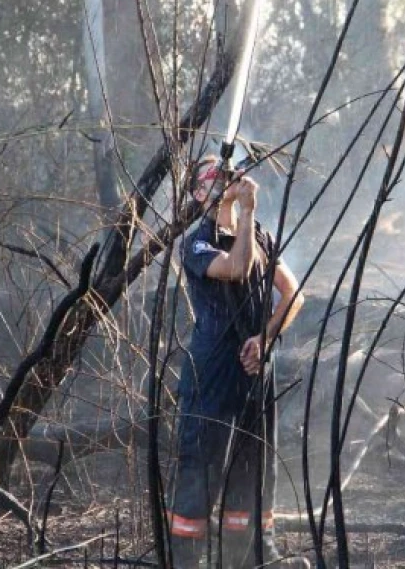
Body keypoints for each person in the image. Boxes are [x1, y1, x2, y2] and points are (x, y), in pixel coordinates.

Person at [168, 155, 307, 568]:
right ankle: (187, 560)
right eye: (217, 174)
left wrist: (265, 338)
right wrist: (244, 210)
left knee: (254, 468)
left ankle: (249, 558)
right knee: (202, 468)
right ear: (199, 191)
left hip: (253, 371)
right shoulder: (196, 241)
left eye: (230, 171)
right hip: (211, 373)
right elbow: (237, 266)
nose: (230, 176)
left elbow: (294, 294)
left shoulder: (259, 234)